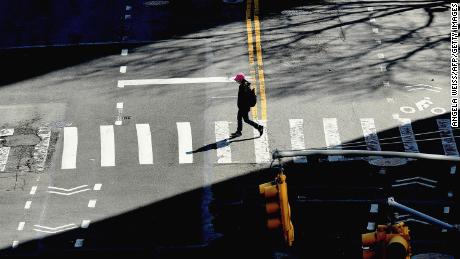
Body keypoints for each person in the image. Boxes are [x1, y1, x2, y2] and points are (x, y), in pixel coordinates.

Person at [231, 73, 264, 137]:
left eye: (237, 80)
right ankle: (238, 132)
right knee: (239, 118)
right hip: (242, 106)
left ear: (240, 79)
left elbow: (246, 98)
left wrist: (244, 107)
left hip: (244, 107)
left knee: (246, 120)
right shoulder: (243, 85)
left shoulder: (244, 86)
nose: (236, 81)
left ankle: (259, 127)